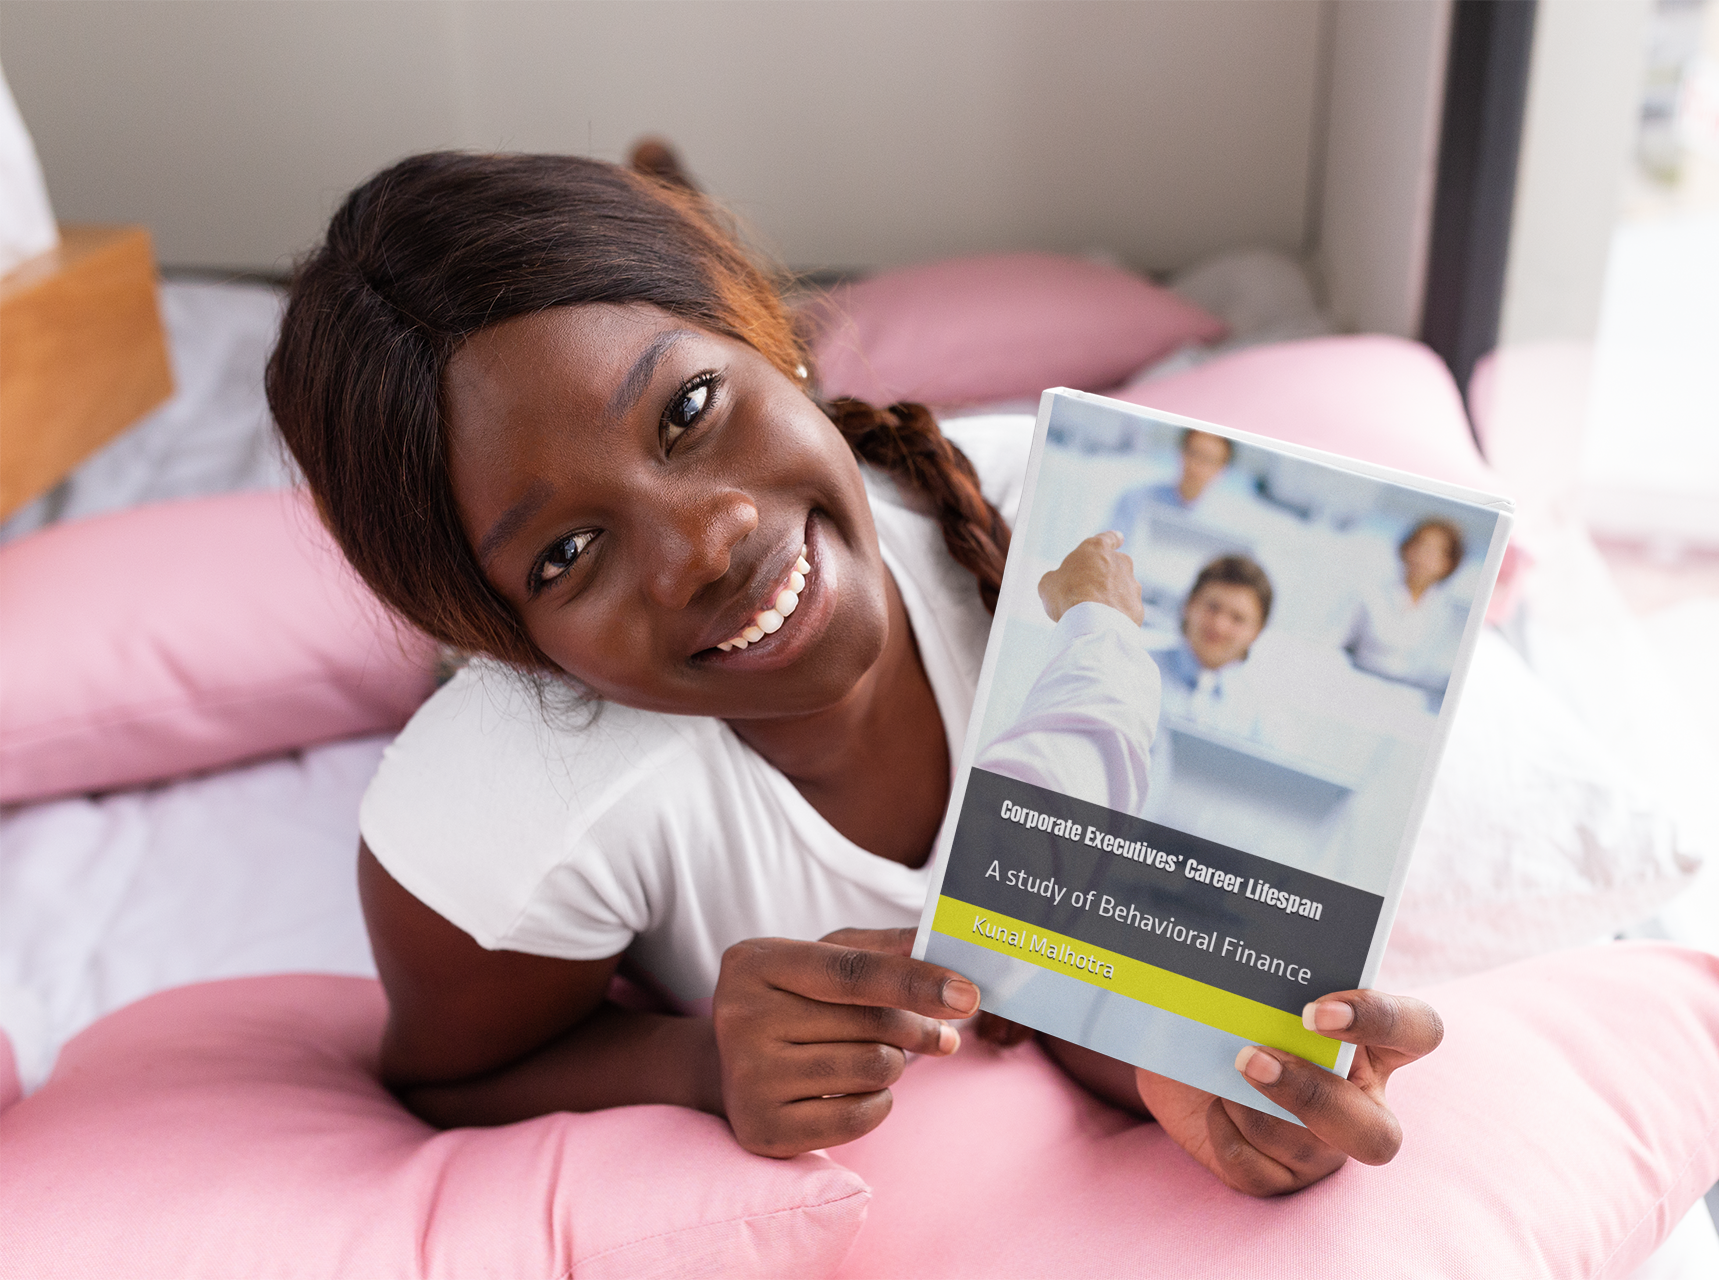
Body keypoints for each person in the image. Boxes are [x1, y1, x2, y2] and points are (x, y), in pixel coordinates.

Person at [265, 149, 1441, 1197]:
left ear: (766, 334)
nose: (705, 545)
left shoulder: (1060, 536)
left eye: (689, 408)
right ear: (510, 638)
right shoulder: (503, 806)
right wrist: (697, 1059)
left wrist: (1217, 1069)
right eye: (568, 552)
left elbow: (1086, 966)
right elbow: (456, 1072)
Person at [1340, 517, 1468, 700]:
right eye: (1420, 546)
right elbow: (1336, 645)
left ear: (1448, 563)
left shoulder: (1451, 615)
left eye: (1435, 552)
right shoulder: (1369, 594)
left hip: (1410, 700)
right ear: (1406, 548)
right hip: (1356, 686)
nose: (1424, 557)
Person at [1152, 554, 1276, 744]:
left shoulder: (1257, 716)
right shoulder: (1135, 670)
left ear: (1256, 632)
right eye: (1213, 607)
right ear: (1189, 604)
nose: (1219, 626)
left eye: (1237, 618)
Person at [1106, 428, 1238, 547]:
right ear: (1181, 452)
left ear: (1222, 469)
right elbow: (1111, 549)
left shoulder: (1227, 524)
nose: (1197, 466)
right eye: (1193, 453)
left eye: (1208, 460)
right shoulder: (1136, 499)